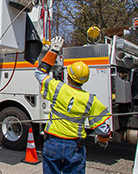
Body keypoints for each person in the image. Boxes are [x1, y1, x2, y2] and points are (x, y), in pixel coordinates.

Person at [35, 36, 111, 174]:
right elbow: (104, 131)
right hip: (74, 147)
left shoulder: (57, 88)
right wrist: (102, 140)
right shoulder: (90, 100)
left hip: (53, 143)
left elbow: (39, 72)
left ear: (68, 76)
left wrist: (53, 51)